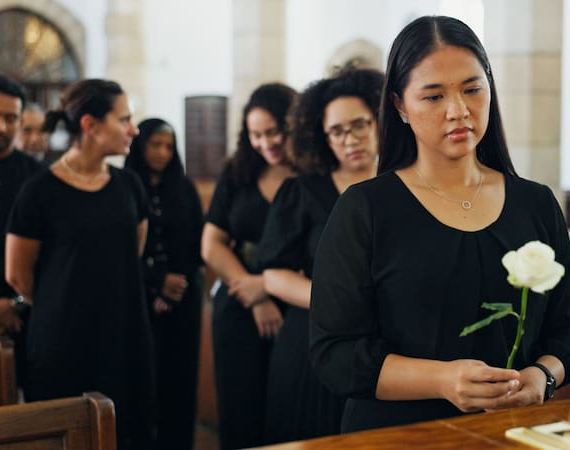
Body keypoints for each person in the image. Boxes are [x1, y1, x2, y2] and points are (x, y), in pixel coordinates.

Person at [309, 16, 570, 433]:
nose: (458, 111)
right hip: (398, 435)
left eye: (472, 89)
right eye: (434, 96)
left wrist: (542, 376)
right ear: (400, 106)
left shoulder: (536, 204)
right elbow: (334, 354)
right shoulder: (365, 209)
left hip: (514, 429)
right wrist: (442, 379)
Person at [5, 79, 156, 450]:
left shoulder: (129, 185)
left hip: (123, 333)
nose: (133, 130)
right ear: (90, 124)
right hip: (63, 341)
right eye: (124, 120)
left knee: (125, 435)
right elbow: (18, 275)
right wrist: (65, 301)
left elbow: (132, 253)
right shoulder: (39, 191)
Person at [256, 67, 384, 443]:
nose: (350, 139)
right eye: (337, 131)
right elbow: (273, 274)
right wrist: (339, 300)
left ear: (379, 122)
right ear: (322, 136)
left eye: (359, 125)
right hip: (313, 340)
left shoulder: (405, 186)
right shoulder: (302, 191)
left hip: (384, 345)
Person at [200, 83, 297, 450]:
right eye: (256, 135)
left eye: (273, 132)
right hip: (239, 302)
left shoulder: (315, 173)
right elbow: (212, 243)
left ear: (293, 124)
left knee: (287, 415)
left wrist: (269, 289)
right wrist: (255, 295)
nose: (265, 143)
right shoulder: (238, 172)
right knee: (240, 415)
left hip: (297, 305)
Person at [125, 118, 204, 450]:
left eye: (168, 146)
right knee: (142, 380)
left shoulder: (184, 188)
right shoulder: (125, 186)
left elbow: (196, 243)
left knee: (180, 378)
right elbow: (121, 249)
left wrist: (173, 290)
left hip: (183, 297)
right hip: (137, 298)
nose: (161, 152)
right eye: (155, 144)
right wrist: (156, 284)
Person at [0, 75, 40, 346]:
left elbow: (53, 252)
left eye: (11, 118)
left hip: (26, 318)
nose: (0, 127)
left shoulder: (39, 178)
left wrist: (16, 304)